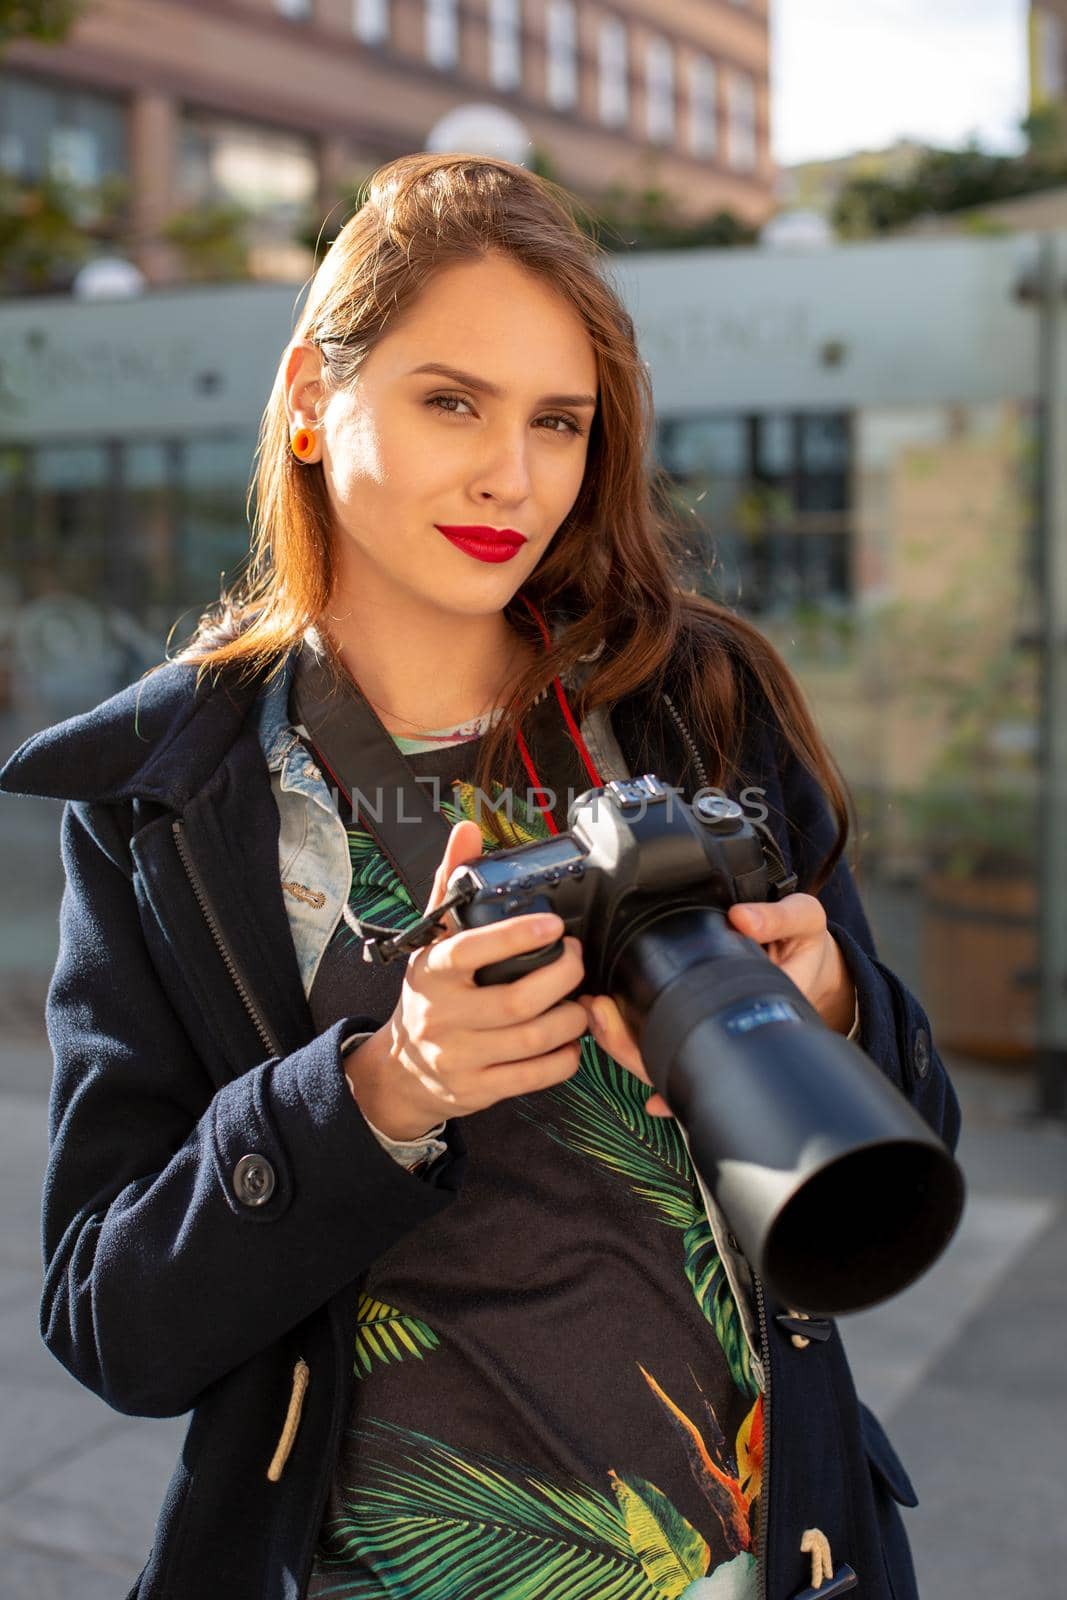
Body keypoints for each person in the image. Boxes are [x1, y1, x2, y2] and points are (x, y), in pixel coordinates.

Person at [1, 154, 958, 1600]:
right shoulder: (172, 796)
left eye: (557, 421)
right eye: (453, 399)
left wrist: (826, 1006)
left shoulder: (695, 703)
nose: (512, 475)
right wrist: (381, 1092)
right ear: (314, 401)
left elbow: (899, 1155)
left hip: (755, 1560)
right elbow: (113, 1317)